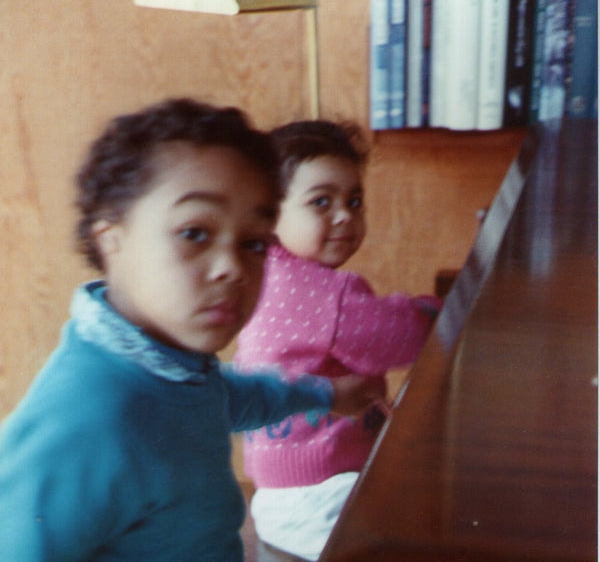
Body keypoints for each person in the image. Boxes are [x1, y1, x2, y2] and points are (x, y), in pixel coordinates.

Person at [0, 100, 385, 562]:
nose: (233, 269)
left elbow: (229, 394)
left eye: (253, 243)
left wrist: (324, 394)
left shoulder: (171, 364)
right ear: (111, 238)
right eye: (195, 233)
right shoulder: (84, 421)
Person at [234, 119, 442, 562]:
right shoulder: (327, 295)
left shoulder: (267, 271)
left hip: (279, 492)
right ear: (270, 212)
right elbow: (403, 337)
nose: (344, 215)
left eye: (355, 200)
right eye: (321, 202)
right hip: (325, 490)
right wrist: (433, 308)